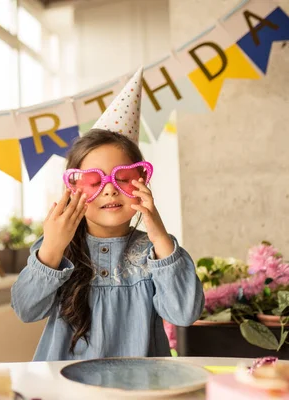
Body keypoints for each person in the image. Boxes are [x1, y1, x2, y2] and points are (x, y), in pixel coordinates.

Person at [11, 68, 204, 361]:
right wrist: (52, 246)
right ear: (74, 189)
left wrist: (159, 234)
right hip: (65, 390)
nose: (110, 190)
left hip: (138, 390)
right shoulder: (57, 249)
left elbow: (184, 313)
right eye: (93, 181)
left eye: (123, 178)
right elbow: (26, 310)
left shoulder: (156, 253)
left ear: (142, 182)